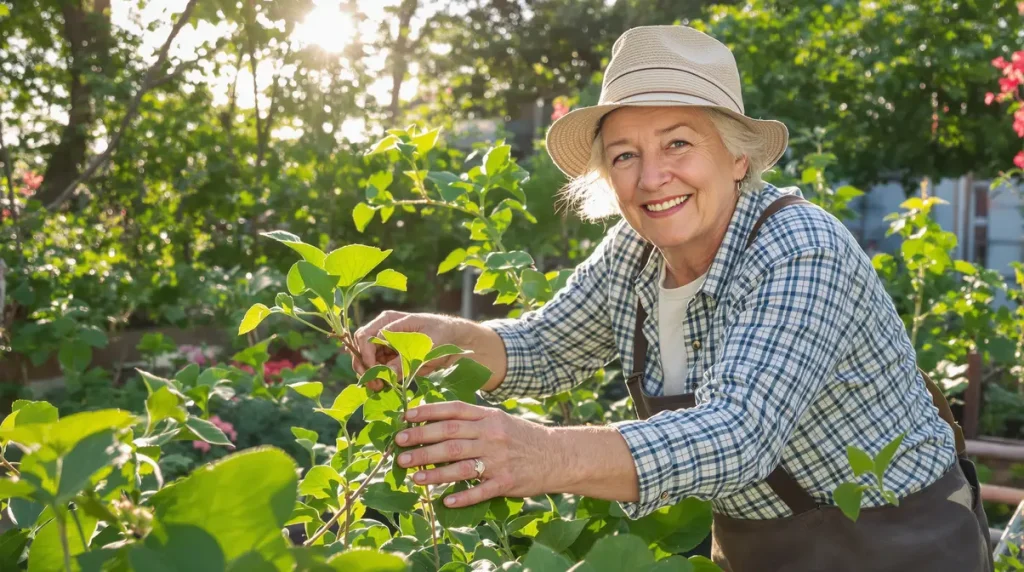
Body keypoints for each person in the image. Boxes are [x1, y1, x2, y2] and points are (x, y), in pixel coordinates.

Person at [352, 25, 993, 572]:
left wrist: (541, 452)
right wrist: (447, 339)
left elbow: (739, 434)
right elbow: (544, 347)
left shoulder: (800, 247)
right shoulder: (634, 253)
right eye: (625, 155)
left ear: (737, 158)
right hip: (757, 548)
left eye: (678, 143)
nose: (652, 177)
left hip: (897, 541)